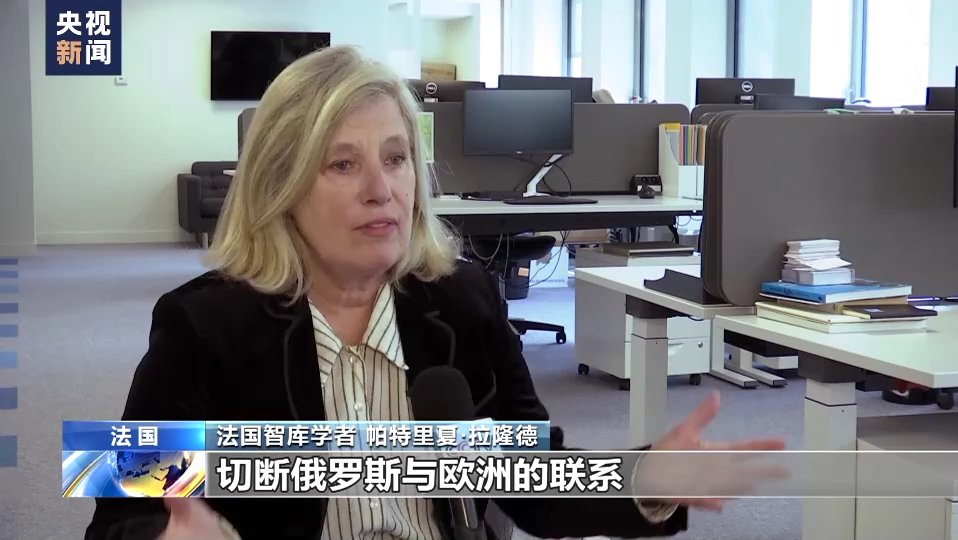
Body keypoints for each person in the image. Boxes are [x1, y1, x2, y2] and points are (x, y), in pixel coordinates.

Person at [85, 45, 784, 540]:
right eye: (342, 164)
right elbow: (122, 511)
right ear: (281, 186)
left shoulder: (462, 302)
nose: (381, 188)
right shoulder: (205, 325)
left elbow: (533, 480)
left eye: (396, 159)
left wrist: (640, 481)